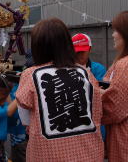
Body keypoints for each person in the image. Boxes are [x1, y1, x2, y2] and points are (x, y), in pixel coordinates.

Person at [16, 18, 104, 161]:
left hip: (49, 154)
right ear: (67, 44)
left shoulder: (30, 74)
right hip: (89, 153)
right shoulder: (86, 73)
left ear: (38, 46)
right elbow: (97, 112)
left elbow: (25, 119)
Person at [102, 11, 128, 162]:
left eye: (116, 30)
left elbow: (113, 107)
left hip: (123, 136)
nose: (113, 35)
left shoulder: (124, 64)